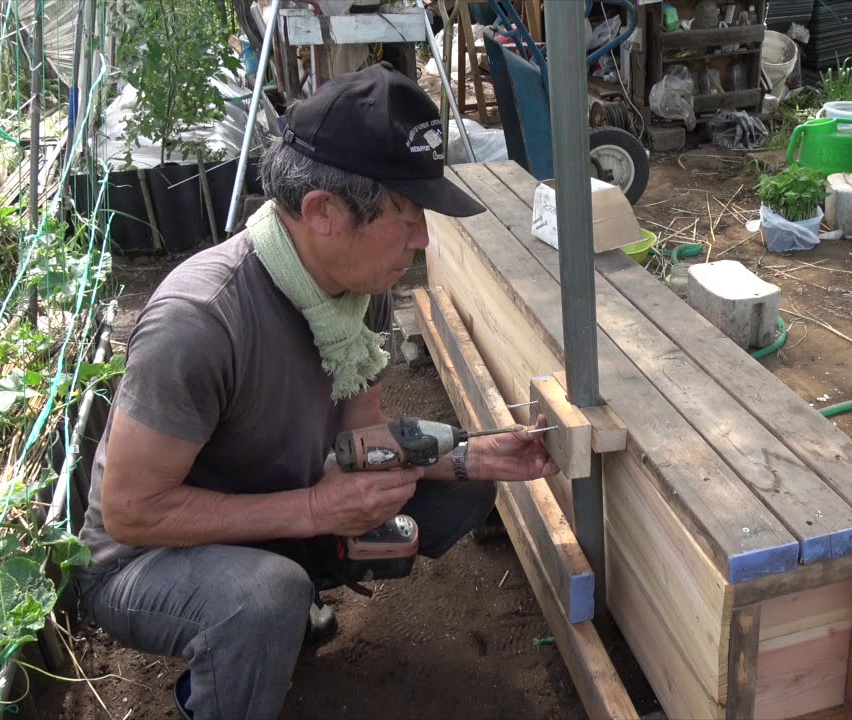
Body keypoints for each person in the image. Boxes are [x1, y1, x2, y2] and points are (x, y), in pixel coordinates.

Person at [75, 62, 559, 720]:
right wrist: (315, 511)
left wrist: (473, 457)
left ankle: (287, 608)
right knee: (262, 598)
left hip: (273, 503)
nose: (422, 239)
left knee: (461, 474)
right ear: (324, 211)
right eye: (408, 215)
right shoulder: (199, 321)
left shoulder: (362, 290)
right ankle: (222, 681)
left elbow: (361, 434)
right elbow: (133, 511)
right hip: (147, 561)